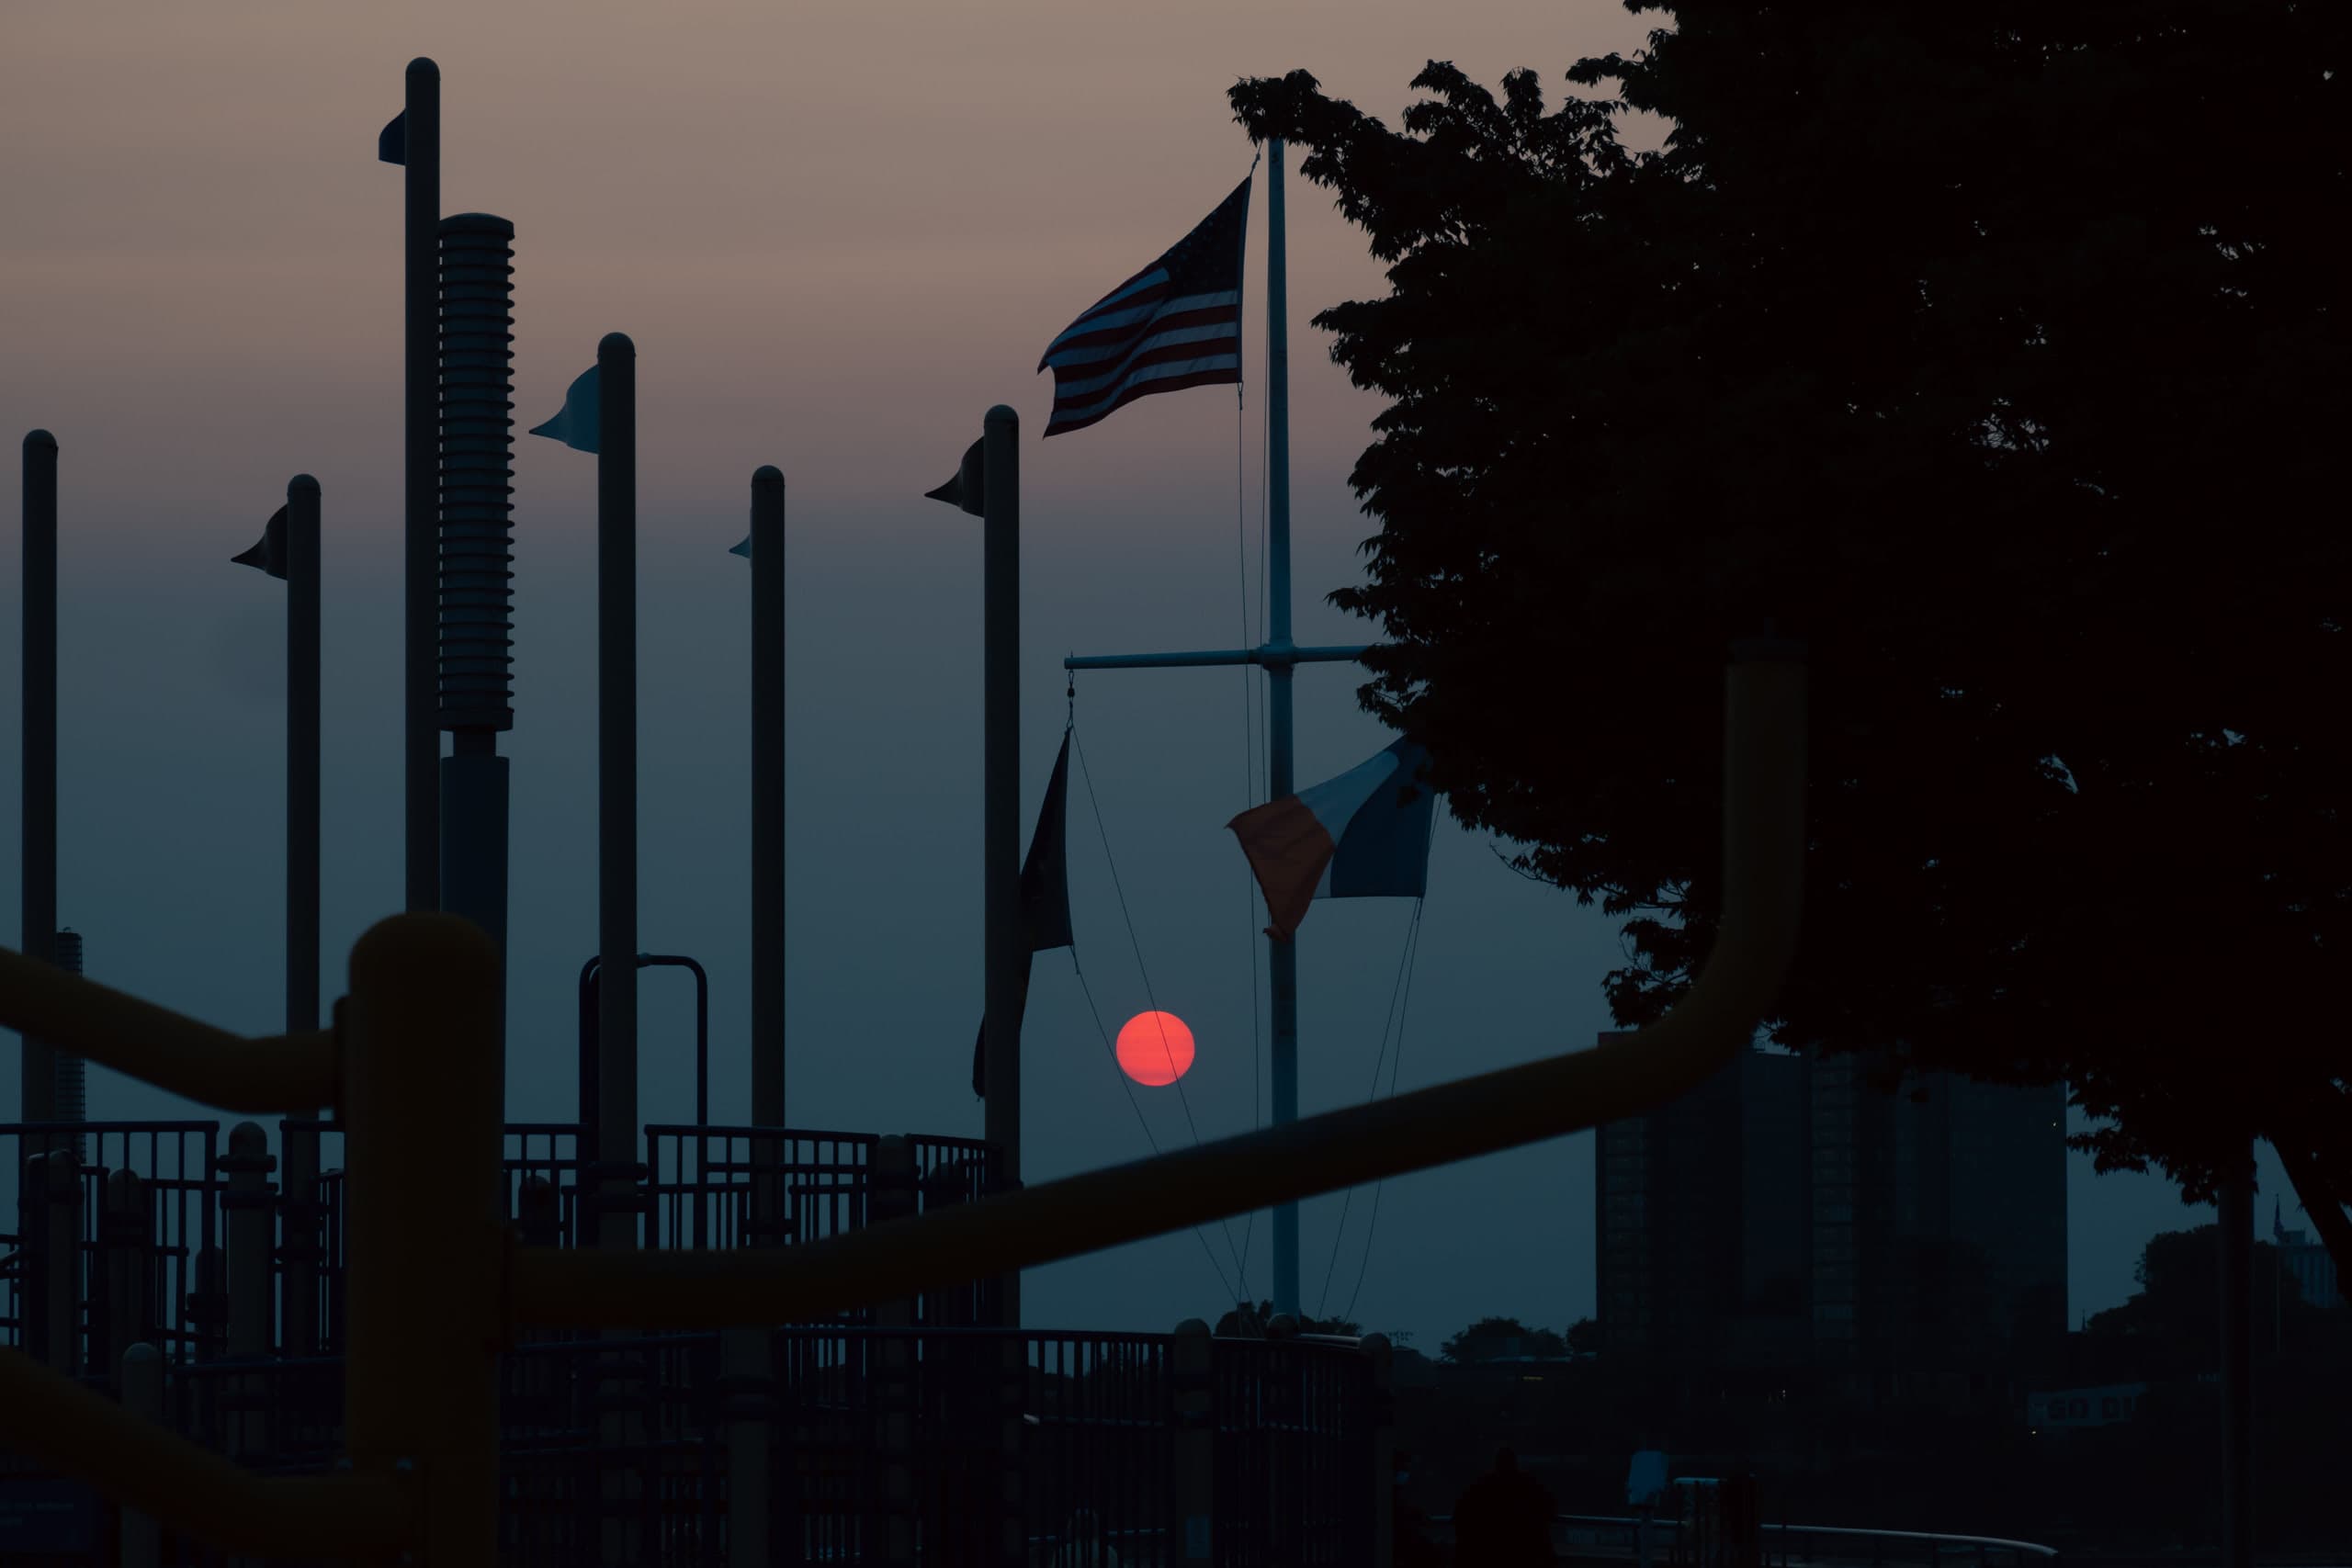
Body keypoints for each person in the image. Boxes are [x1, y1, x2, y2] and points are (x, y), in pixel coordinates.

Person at [1450, 1447, 1556, 1568]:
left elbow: (1459, 1514)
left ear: (1496, 1464)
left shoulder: (1482, 1486)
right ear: (1515, 1464)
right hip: (1527, 1556)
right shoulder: (1530, 1484)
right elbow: (1550, 1510)